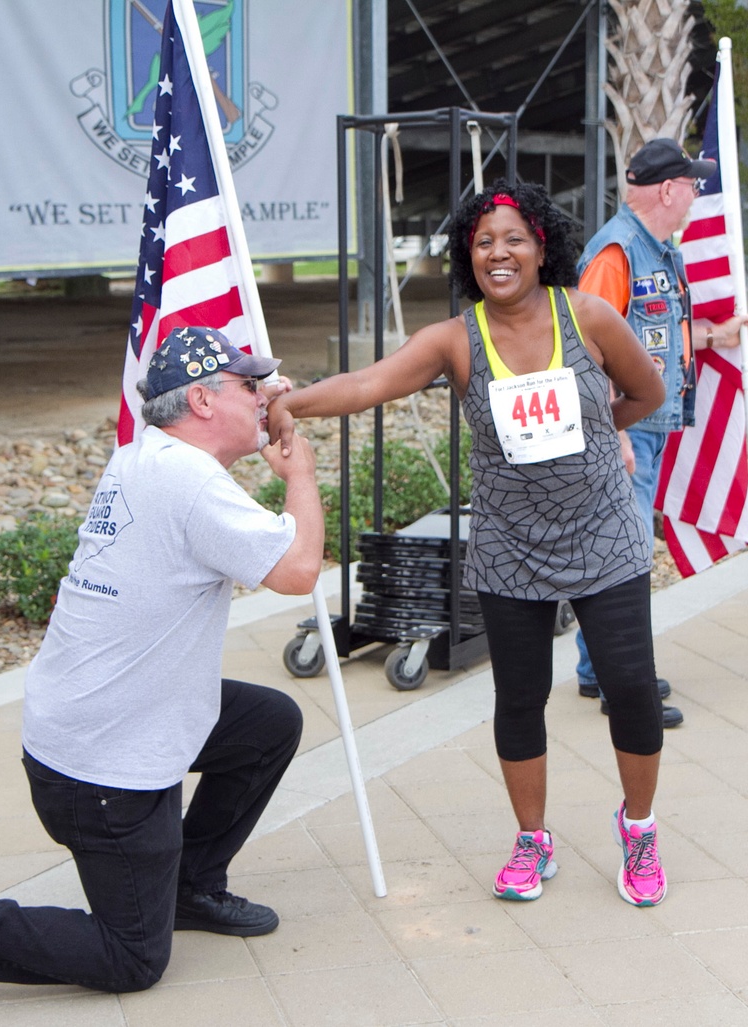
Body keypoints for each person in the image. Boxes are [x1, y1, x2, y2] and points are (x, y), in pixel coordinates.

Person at [0, 326, 324, 1013]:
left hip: (96, 724)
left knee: (267, 724)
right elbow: (297, 568)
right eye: (250, 386)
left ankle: (189, 886)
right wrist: (302, 475)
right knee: (132, 955)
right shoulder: (190, 482)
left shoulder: (148, 458)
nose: (265, 397)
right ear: (201, 399)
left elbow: (229, 471)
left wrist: (264, 402)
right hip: (102, 770)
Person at [269, 179, 671, 907]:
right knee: (520, 697)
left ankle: (639, 827)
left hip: (603, 535)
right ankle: (532, 840)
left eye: (514, 237)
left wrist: (604, 425)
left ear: (541, 246)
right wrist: (287, 403)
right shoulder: (456, 338)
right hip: (510, 545)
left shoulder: (588, 316)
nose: (499, 251)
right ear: (468, 257)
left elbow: (649, 393)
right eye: (483, 241)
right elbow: (369, 383)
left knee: (633, 689)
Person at [573, 138, 748, 726]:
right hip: (627, 435)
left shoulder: (654, 250)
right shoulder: (617, 253)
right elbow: (588, 347)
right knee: (624, 560)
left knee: (619, 553)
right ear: (667, 190)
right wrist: (616, 433)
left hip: (647, 428)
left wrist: (717, 335)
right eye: (691, 185)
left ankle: (595, 669)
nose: (694, 197)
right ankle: (619, 684)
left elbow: (651, 334)